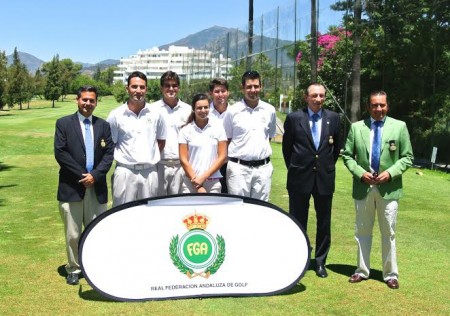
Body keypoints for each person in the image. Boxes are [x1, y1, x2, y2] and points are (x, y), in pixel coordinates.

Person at [342, 90, 413, 289]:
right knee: (362, 231)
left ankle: (390, 274)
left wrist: (390, 173)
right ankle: (362, 271)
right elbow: (347, 155)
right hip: (363, 187)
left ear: (387, 106)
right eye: (374, 105)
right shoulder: (357, 128)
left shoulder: (399, 127)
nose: (378, 109)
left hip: (388, 189)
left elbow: (407, 157)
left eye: (382, 105)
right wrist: (359, 173)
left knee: (388, 232)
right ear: (368, 107)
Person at [54, 85, 114, 285]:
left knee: (95, 230)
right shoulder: (63, 124)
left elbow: (109, 154)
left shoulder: (103, 126)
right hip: (72, 187)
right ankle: (74, 268)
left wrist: (94, 176)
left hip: (96, 187)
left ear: (96, 102)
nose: (88, 103)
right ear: (77, 100)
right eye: (85, 100)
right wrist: (84, 176)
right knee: (73, 233)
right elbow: (60, 152)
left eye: (92, 100)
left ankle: (93, 266)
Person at [282, 83, 341, 278]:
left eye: (322, 96)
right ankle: (300, 258)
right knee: (298, 220)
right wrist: (296, 167)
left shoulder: (333, 118)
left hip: (324, 178)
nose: (318, 99)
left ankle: (320, 261)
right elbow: (287, 149)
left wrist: (325, 166)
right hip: (299, 177)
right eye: (314, 95)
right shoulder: (294, 118)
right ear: (306, 97)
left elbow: (336, 149)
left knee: (324, 221)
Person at [107, 71, 167, 207]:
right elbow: (111, 144)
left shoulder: (157, 114)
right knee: (121, 214)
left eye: (142, 87)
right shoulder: (116, 115)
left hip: (149, 171)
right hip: (125, 171)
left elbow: (161, 142)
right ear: (127, 88)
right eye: (134, 87)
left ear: (146, 89)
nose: (138, 91)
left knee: (149, 215)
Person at [223, 70, 276, 201]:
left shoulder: (269, 110)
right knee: (238, 209)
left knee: (261, 210)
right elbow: (227, 140)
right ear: (242, 88)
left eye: (256, 86)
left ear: (261, 87)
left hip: (263, 169)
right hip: (238, 170)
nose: (253, 90)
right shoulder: (232, 111)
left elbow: (268, 137)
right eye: (249, 87)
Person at [150, 71, 191, 196]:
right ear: (161, 88)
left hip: (180, 166)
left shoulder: (188, 109)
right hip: (158, 165)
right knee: (157, 204)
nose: (171, 89)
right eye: (167, 85)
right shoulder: (152, 109)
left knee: (178, 204)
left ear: (178, 87)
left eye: (174, 85)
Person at [179, 93, 228, 193]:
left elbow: (222, 157)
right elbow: (183, 159)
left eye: (206, 107)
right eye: (199, 108)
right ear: (193, 109)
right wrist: (197, 183)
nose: (203, 110)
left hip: (212, 182)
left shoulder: (218, 128)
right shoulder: (185, 130)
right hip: (190, 182)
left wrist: (203, 177)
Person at [208, 78, 230, 193]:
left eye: (223, 91)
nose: (220, 94)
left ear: (228, 92)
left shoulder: (235, 112)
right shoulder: (204, 112)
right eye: (217, 91)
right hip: (208, 165)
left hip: (229, 165)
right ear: (210, 93)